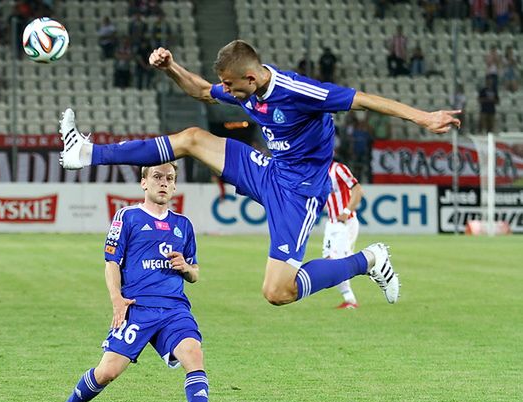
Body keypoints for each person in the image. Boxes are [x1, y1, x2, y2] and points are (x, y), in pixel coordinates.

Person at [59, 40, 460, 307]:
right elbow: (200, 91)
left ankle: (370, 259)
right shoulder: (244, 87)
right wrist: (171, 67)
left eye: (231, 87)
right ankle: (86, 152)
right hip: (268, 170)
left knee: (277, 292)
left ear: (251, 79)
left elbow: (363, 101)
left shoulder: (299, 91)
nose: (226, 93)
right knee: (193, 138)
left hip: (299, 193)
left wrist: (423, 117)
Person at [35, 162, 220, 402]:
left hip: (173, 309)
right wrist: (117, 300)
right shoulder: (128, 217)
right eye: (157, 177)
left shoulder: (183, 225)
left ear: (174, 186)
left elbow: (195, 273)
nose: (163, 183)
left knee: (194, 355)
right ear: (143, 183)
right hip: (137, 307)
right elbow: (111, 262)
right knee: (107, 372)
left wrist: (186, 267)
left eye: (169, 179)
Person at [322, 161, 363, 309]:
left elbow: (358, 190)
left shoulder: (338, 169)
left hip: (346, 223)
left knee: (338, 262)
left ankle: (373, 263)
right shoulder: (317, 170)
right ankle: (349, 299)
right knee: (328, 259)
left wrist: (345, 212)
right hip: (331, 223)